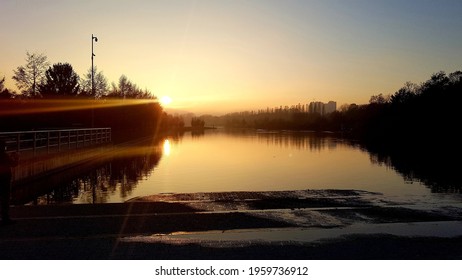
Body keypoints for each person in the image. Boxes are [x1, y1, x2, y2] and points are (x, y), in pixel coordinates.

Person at [0, 139, 18, 225]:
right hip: (5, 178)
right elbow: (14, 164)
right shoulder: (4, 155)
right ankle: (5, 218)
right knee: (5, 198)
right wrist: (16, 157)